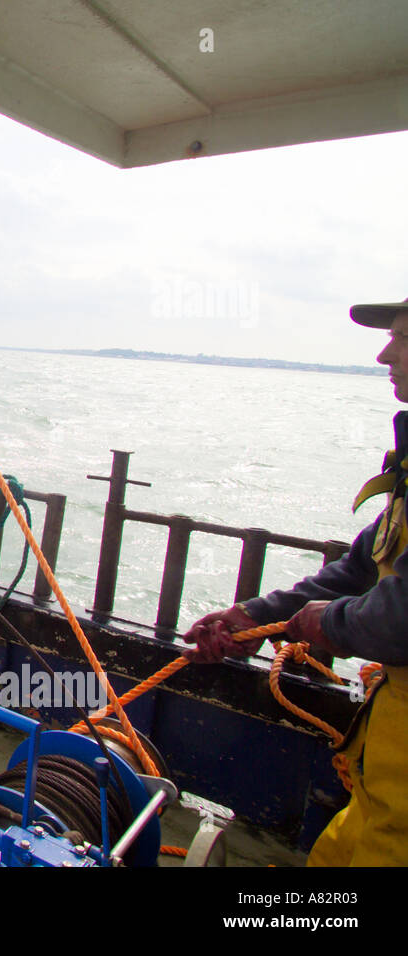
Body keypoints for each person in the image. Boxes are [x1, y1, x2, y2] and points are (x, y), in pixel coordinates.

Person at [182, 295, 408, 867]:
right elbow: (359, 570)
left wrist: (331, 624)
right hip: (385, 768)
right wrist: (253, 615)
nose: (385, 355)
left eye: (404, 339)